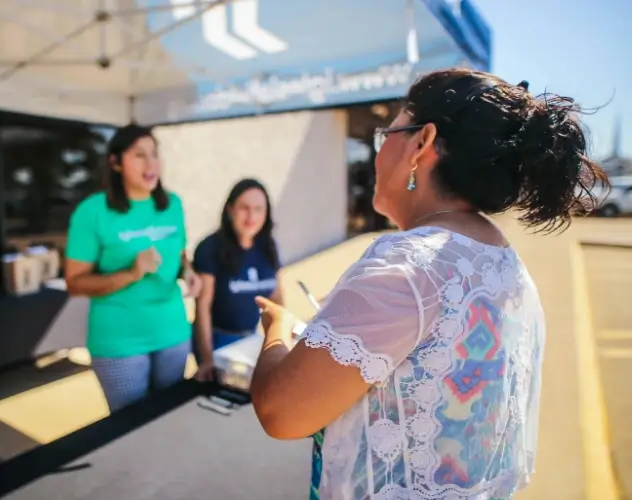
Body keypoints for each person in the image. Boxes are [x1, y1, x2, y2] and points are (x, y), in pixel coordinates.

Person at [248, 69, 606, 499]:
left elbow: (281, 411)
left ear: (421, 144)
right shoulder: (506, 264)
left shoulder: (404, 265)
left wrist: (278, 329)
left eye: (388, 134)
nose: (377, 155)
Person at [64, 124, 202, 412]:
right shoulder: (92, 212)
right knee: (131, 428)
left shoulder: (172, 204)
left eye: (154, 154)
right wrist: (132, 273)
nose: (151, 163)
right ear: (115, 163)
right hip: (119, 342)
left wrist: (188, 272)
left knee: (169, 418)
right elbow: (75, 283)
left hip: (173, 332)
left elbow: (179, 254)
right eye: (139, 155)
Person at [191, 178, 283, 381]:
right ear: (230, 209)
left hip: (251, 339)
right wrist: (207, 359)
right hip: (218, 341)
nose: (251, 216)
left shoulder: (268, 246)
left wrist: (281, 343)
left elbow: (277, 300)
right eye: (244, 208)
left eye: (259, 209)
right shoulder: (210, 248)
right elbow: (202, 308)